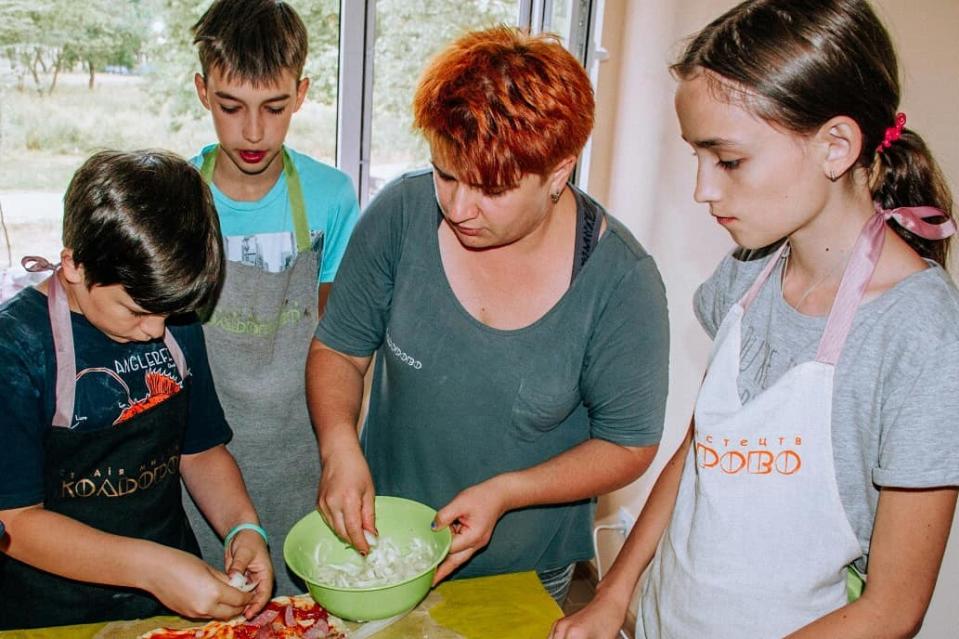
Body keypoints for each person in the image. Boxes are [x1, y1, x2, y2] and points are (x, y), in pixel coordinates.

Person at [550, 1, 959, 637]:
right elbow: (699, 452)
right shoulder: (747, 274)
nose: (702, 189)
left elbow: (891, 609)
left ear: (836, 146)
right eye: (697, 157)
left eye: (728, 160)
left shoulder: (920, 335)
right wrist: (614, 592)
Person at [307, 26, 669, 605]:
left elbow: (628, 445)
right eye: (446, 175)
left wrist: (507, 491)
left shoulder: (621, 282)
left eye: (491, 189)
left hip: (523, 569)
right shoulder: (401, 214)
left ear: (559, 172)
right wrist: (338, 445)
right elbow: (340, 351)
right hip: (383, 547)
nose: (456, 207)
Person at [0, 150, 272, 629]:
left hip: (164, 600)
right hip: (49, 613)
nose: (155, 330)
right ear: (74, 265)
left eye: (167, 313)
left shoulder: (172, 319)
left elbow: (201, 451)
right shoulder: (17, 351)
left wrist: (242, 526)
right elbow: (15, 522)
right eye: (136, 311)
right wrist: (152, 568)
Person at [185, 0, 360, 596]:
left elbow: (339, 338)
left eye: (274, 108)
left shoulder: (332, 196)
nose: (253, 132)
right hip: (199, 461)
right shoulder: (178, 197)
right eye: (232, 107)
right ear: (203, 91)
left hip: (300, 450)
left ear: (303, 93)